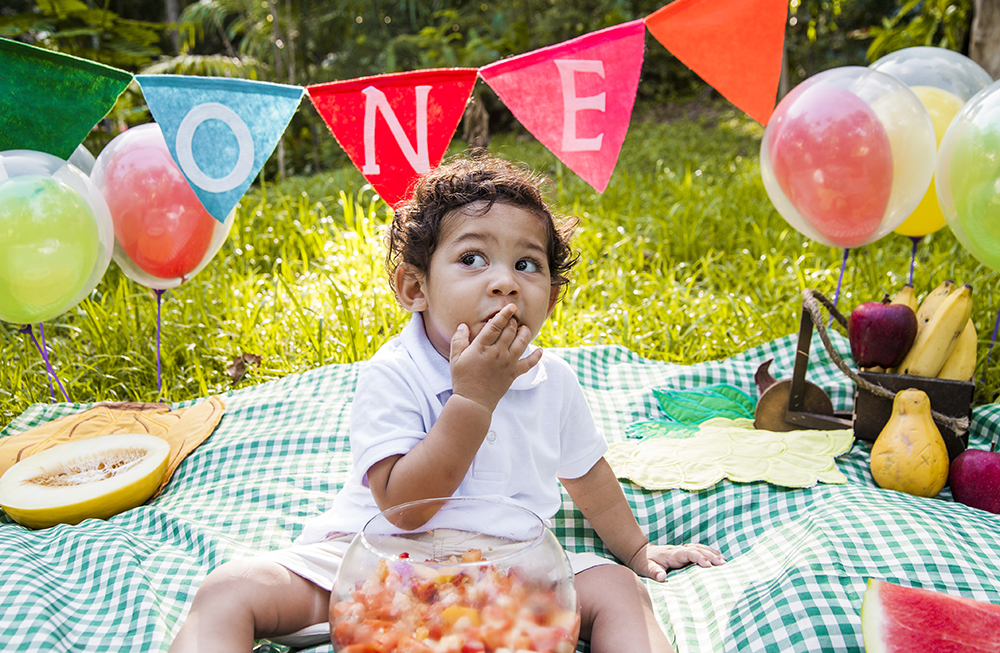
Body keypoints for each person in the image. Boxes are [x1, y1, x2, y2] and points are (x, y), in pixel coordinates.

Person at [169, 153, 725, 653]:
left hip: (510, 569)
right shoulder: (395, 373)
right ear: (415, 289)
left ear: (551, 297)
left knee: (619, 591)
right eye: (473, 259)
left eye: (526, 265)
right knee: (230, 590)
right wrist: (472, 401)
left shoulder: (553, 381)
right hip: (377, 563)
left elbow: (590, 478)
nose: (505, 282)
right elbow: (403, 508)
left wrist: (636, 551)